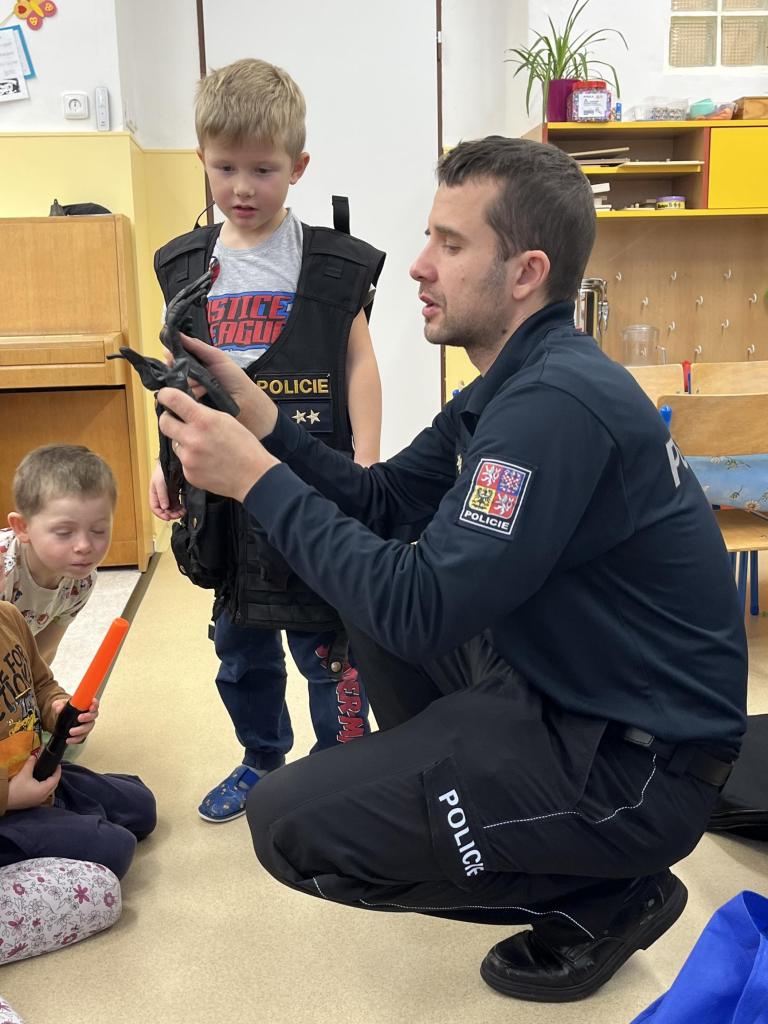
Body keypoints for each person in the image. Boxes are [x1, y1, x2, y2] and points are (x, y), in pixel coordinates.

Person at [155, 136, 747, 1003]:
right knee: (370, 600)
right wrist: (267, 425)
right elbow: (386, 500)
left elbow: (422, 609)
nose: (419, 265)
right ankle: (485, 796)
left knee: (288, 826)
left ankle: (605, 898)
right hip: (570, 688)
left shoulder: (551, 406)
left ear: (526, 273)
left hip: (640, 769)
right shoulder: (510, 382)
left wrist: (256, 480)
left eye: (451, 243)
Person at [148, 58, 385, 823]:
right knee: (239, 646)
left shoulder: (329, 264)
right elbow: (178, 374)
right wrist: (167, 465)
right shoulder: (186, 265)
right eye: (225, 168)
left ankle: (340, 770)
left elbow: (359, 361)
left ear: (298, 167)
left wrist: (367, 461)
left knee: (326, 644)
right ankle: (260, 758)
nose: (243, 186)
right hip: (221, 497)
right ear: (202, 160)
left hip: (312, 478)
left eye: (263, 169)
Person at [0, 599, 156, 878]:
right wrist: (9, 797)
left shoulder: (8, 616)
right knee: (115, 849)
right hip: (8, 807)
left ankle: (66, 818)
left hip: (39, 773)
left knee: (142, 806)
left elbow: (42, 685)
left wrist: (58, 708)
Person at [1, 444, 116, 666]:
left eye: (98, 530)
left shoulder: (81, 583)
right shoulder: (4, 570)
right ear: (23, 527)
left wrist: (38, 687)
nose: (84, 546)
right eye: (64, 532)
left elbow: (42, 654)